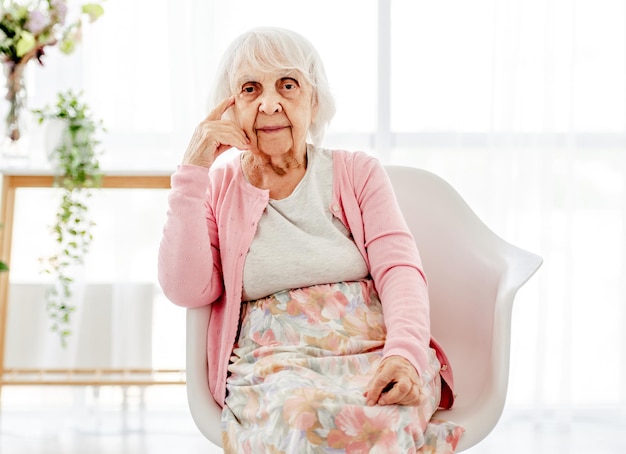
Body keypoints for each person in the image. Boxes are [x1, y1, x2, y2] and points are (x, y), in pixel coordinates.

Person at [158, 27, 464, 453]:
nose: (270, 103)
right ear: (227, 108)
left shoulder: (357, 172)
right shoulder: (218, 188)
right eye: (250, 88)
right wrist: (193, 171)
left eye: (288, 84)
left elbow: (400, 270)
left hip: (375, 350)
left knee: (380, 417)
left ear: (313, 99)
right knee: (306, 419)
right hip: (273, 366)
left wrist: (404, 355)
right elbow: (186, 288)